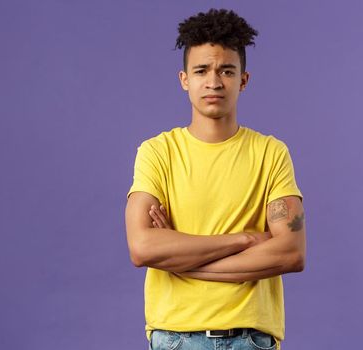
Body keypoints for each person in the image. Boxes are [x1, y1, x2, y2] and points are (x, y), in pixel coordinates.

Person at [124, 8, 306, 350]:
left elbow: (291, 253)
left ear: (243, 80)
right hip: (176, 338)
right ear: (184, 79)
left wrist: (182, 261)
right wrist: (243, 240)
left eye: (226, 70)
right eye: (201, 70)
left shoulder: (271, 153)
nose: (213, 81)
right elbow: (142, 247)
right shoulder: (158, 152)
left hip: (250, 340)